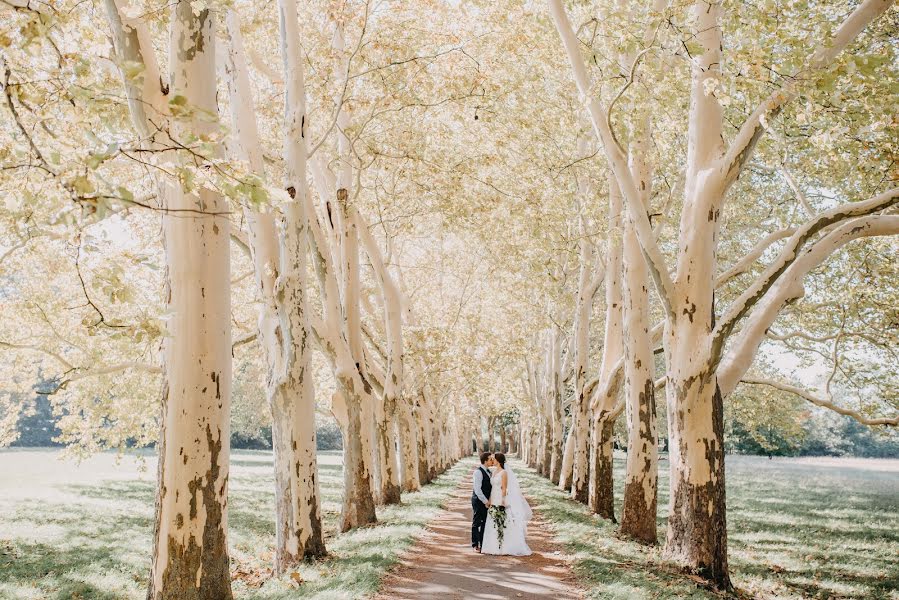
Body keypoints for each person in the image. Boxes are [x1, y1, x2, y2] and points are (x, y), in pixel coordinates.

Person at [480, 452, 532, 556]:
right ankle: (492, 546)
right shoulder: (493, 472)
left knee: (502, 522)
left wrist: (503, 500)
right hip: (493, 498)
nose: (492, 461)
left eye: (493, 459)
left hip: (500, 499)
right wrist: (489, 500)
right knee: (493, 522)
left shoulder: (504, 473)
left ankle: (504, 547)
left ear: (498, 460)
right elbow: (492, 488)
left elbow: (504, 488)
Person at [471, 452, 494, 552]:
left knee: (485, 522)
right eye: (490, 459)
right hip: (479, 501)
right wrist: (485, 501)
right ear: (485, 461)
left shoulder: (489, 471)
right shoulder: (478, 472)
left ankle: (483, 543)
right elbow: (477, 490)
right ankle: (475, 544)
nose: (492, 461)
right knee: (477, 522)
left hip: (487, 502)